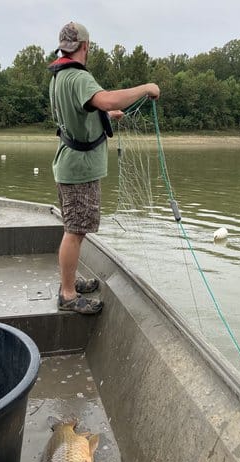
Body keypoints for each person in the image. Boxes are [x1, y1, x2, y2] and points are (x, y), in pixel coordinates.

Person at [49, 21, 160, 314]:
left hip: (69, 165)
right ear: (85, 46)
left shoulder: (60, 76)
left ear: (64, 47)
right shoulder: (78, 77)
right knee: (74, 230)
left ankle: (69, 283)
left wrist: (107, 114)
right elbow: (106, 97)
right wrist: (146, 88)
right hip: (79, 170)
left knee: (75, 229)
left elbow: (82, 112)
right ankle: (68, 295)